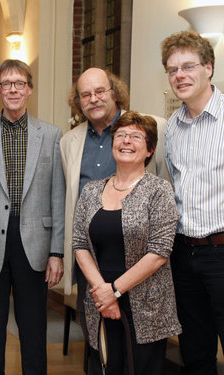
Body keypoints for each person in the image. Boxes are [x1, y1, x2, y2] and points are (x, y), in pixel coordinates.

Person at [0, 59, 65, 375]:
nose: (13, 89)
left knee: (34, 332)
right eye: (6, 84)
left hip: (34, 244)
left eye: (19, 83)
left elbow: (57, 197)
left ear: (30, 89)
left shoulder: (51, 135)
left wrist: (56, 252)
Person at [161, 30, 224, 375]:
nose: (179, 76)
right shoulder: (172, 128)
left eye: (188, 66)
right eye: (171, 70)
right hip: (185, 256)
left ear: (208, 68)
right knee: (195, 354)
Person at [60, 68, 169, 341]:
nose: (93, 99)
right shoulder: (68, 142)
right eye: (85, 95)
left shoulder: (151, 128)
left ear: (115, 92)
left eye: (100, 91)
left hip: (140, 259)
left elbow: (166, 183)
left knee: (140, 344)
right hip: (92, 261)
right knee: (99, 343)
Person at [73, 111, 181, 374]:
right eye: (120, 135)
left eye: (135, 136)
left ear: (150, 149)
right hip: (99, 301)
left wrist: (115, 291)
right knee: (104, 366)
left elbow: (159, 251)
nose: (126, 141)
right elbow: (79, 244)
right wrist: (102, 291)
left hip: (145, 306)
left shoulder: (159, 190)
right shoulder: (91, 191)